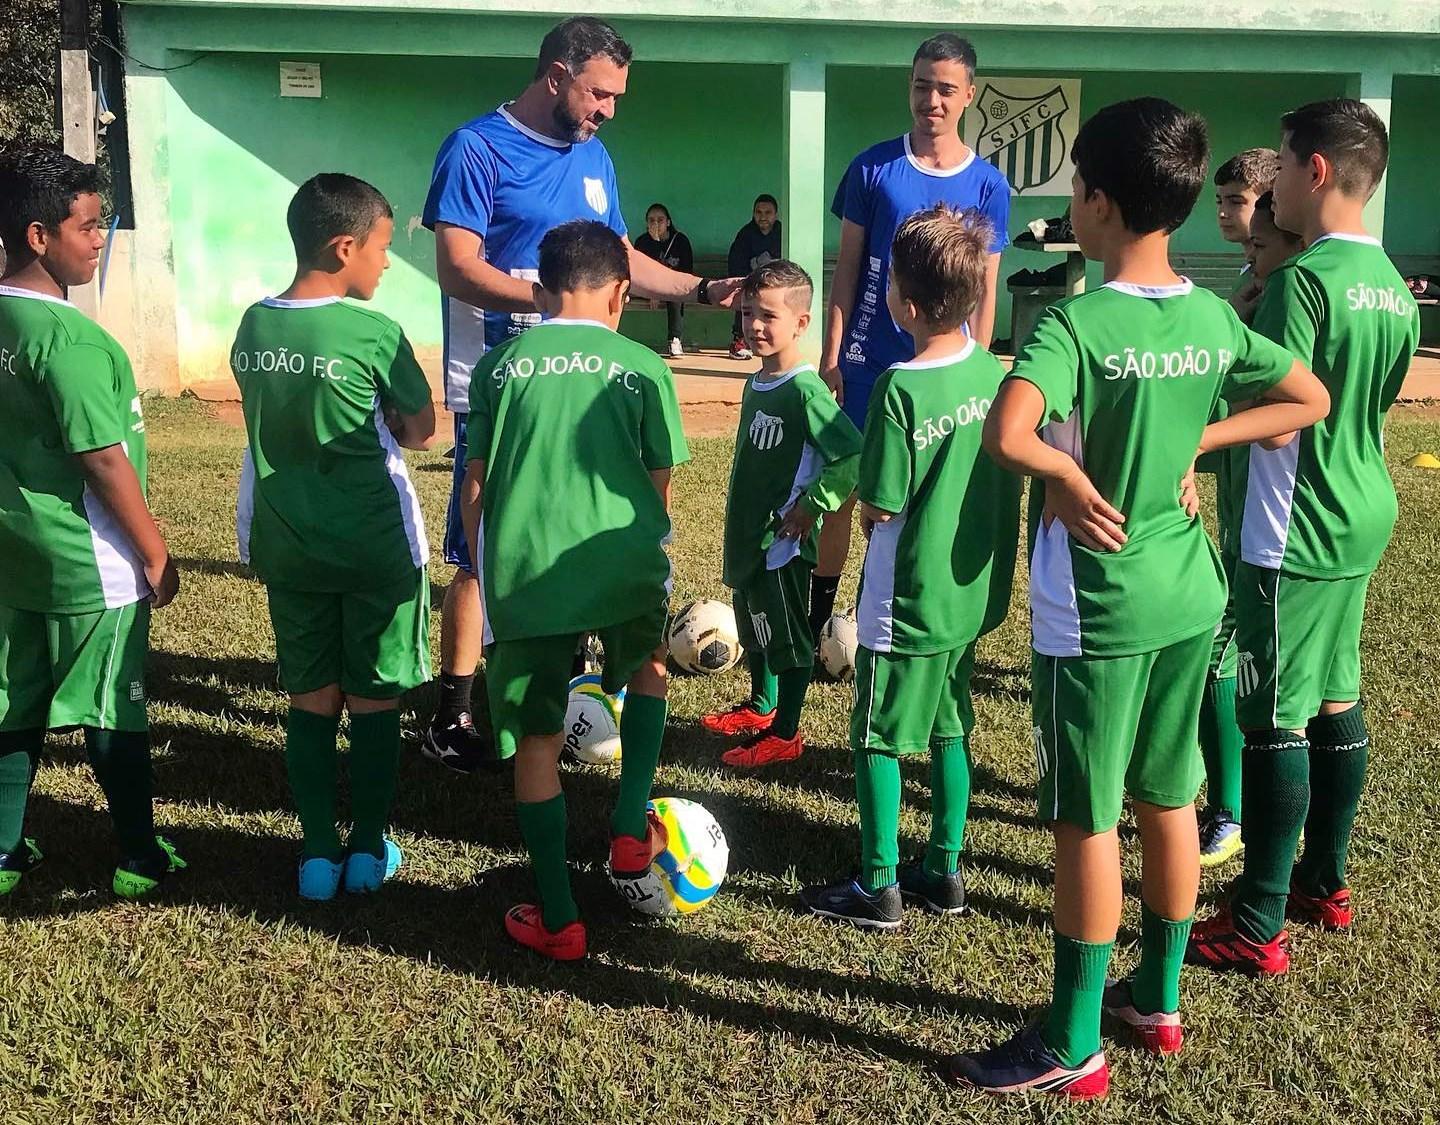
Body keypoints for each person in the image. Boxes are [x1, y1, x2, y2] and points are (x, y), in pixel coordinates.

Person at [951, 98, 1327, 1099]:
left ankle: (1072, 1041)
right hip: (1186, 592)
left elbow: (1009, 434)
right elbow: (1307, 400)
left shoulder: (1078, 320)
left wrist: (1068, 482)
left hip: (1099, 606)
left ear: (1099, 203)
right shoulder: (1211, 314)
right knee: (1171, 800)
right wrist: (1203, 440)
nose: (1071, 204)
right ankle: (1157, 999)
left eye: (1074, 188)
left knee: (1083, 819)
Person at [422, 16, 739, 773]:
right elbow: (456, 264)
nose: (608, 110)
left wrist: (700, 288)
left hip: (585, 387)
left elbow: (619, 254)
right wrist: (555, 303)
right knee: (484, 547)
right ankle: (453, 710)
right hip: (500, 382)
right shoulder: (477, 147)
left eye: (617, 97)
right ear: (557, 75)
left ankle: (566, 687)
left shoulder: (594, 156)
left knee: (571, 528)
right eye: (600, 92)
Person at [1188, 100, 1420, 975]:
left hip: (1295, 519)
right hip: (1362, 503)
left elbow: (1279, 420)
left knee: (1272, 714)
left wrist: (1198, 432)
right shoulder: (1394, 286)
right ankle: (1325, 880)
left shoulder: (1305, 281)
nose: (1273, 184)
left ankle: (1256, 920)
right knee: (1334, 696)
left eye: (1281, 165)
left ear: (1315, 171)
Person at [460, 220, 689, 961]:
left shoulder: (501, 367)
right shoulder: (642, 367)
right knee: (651, 667)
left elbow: (475, 484)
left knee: (538, 740)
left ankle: (559, 919)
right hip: (622, 565)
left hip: (528, 576)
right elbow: (658, 487)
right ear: (621, 291)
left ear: (544, 286)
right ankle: (628, 829)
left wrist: (487, 563)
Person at [798, 205, 1019, 929]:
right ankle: (946, 868)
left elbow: (882, 505)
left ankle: (879, 884)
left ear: (907, 301)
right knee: (953, 722)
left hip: (909, 595)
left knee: (877, 734)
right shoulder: (991, 369)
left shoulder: (900, 387)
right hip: (971, 590)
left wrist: (866, 512)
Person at [231, 174, 436, 901]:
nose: (387, 264)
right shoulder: (375, 331)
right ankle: (368, 848)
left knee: (310, 697)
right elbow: (419, 429)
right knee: (375, 697)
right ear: (344, 246)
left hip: (287, 542)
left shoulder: (253, 325)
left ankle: (317, 854)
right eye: (382, 249)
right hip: (375, 544)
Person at [0, 147, 186, 898]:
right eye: (88, 226)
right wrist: (154, 550)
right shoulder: (68, 339)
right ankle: (139, 855)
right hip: (88, 557)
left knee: (13, 693)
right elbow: (104, 458)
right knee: (114, 700)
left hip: (15, 550)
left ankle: (6, 852)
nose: (101, 238)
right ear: (39, 235)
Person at [812, 32, 1011, 645]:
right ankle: (821, 619)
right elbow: (846, 267)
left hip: (945, 372)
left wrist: (977, 363)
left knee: (924, 494)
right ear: (911, 87)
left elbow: (985, 284)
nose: (933, 99)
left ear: (969, 96)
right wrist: (832, 351)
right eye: (923, 84)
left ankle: (906, 611)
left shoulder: (988, 186)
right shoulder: (874, 168)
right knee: (842, 489)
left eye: (947, 88)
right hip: (870, 361)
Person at [701, 260, 860, 768]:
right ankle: (762, 706)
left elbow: (852, 455)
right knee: (756, 626)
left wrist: (812, 505)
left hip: (783, 542)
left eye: (768, 316)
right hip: (749, 534)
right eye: (749, 313)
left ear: (801, 323)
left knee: (788, 637)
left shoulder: (805, 390)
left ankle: (787, 732)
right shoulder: (757, 382)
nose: (755, 325)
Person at [1195, 147, 1282, 869]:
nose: (1227, 215)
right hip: (1237, 510)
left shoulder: (1278, 289)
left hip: (1269, 521)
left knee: (1213, 662)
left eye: (1239, 204)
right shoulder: (1250, 284)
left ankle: (1228, 810)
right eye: (1221, 204)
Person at [725, 195, 783, 360]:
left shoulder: (783, 233)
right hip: (751, 281)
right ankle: (739, 341)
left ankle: (777, 339)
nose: (763, 216)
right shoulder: (745, 235)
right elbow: (736, 264)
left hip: (776, 284)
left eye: (768, 212)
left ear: (776, 214)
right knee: (743, 294)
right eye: (758, 212)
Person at [633, 203, 694, 357]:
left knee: (674, 294)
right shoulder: (642, 242)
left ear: (668, 222)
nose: (656, 224)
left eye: (660, 220)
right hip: (648, 287)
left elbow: (686, 272)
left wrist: (663, 288)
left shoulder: (680, 241)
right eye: (651, 220)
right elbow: (641, 270)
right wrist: (654, 241)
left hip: (674, 286)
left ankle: (675, 339)